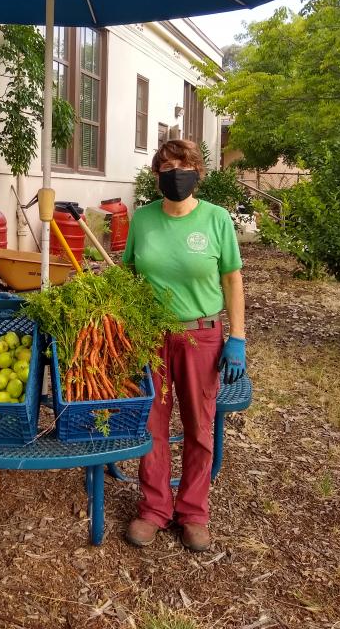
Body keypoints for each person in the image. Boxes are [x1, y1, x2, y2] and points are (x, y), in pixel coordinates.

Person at [123, 139, 246, 552]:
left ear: (196, 172)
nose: (175, 172)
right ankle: (154, 509)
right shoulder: (142, 219)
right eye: (167, 166)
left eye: (183, 165)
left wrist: (238, 339)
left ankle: (193, 512)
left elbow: (232, 280)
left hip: (202, 335)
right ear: (157, 175)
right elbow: (128, 276)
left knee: (199, 425)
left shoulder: (216, 220)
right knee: (152, 423)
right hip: (151, 335)